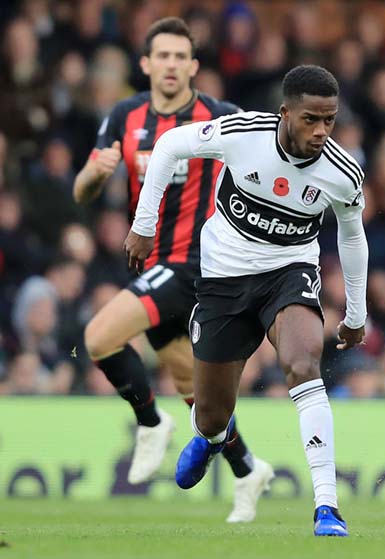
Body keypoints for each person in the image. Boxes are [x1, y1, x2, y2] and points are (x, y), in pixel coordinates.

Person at [125, 65, 368, 537]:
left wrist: (355, 313)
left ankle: (327, 506)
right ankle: (211, 434)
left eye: (329, 121)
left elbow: (353, 238)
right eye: (310, 120)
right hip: (224, 279)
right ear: (285, 113)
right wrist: (144, 222)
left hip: (289, 274)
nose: (320, 131)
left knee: (303, 364)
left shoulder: (343, 172)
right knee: (213, 411)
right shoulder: (244, 133)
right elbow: (172, 144)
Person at [72, 17, 273, 523]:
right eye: (162, 55)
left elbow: (263, 161)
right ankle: (249, 470)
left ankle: (149, 422)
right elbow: (82, 192)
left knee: (98, 337)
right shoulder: (125, 114)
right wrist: (93, 176)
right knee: (199, 396)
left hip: (193, 264)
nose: (171, 64)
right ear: (145, 63)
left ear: (194, 66)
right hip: (151, 263)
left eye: (180, 57)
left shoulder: (218, 115)